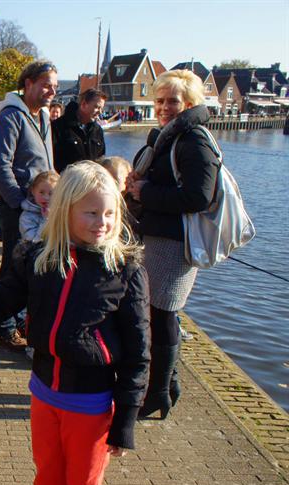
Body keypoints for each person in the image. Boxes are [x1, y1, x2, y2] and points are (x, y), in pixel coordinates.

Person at [0, 161, 150, 485]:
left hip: (91, 405)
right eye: (91, 213)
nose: (101, 222)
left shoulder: (125, 269)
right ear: (64, 210)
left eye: (108, 213)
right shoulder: (38, 257)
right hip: (43, 394)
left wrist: (125, 421)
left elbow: (139, 353)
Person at [127, 69, 217, 419]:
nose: (164, 107)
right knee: (156, 313)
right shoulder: (168, 137)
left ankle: (158, 394)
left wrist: (145, 191)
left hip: (175, 244)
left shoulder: (194, 140)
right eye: (160, 101)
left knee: (162, 315)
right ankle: (169, 384)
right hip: (158, 236)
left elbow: (198, 196)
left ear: (190, 103)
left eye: (173, 101)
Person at [0, 60, 57, 352]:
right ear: (28, 84)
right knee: (13, 267)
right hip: (17, 206)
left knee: (30, 266)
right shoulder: (11, 116)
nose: (52, 91)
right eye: (46, 85)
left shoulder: (42, 117)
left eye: (55, 86)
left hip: (41, 205)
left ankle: (18, 319)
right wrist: (18, 202)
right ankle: (3, 327)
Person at [52, 88, 107, 172]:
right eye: (97, 107)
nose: (100, 112)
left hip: (92, 179)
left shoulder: (97, 131)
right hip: (67, 178)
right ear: (84, 104)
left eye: (101, 108)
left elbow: (101, 159)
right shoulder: (58, 127)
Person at [18, 170, 59, 245]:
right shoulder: (27, 217)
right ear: (33, 191)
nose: (46, 197)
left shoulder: (61, 212)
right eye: (41, 192)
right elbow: (33, 241)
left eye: (51, 193)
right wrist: (46, 219)